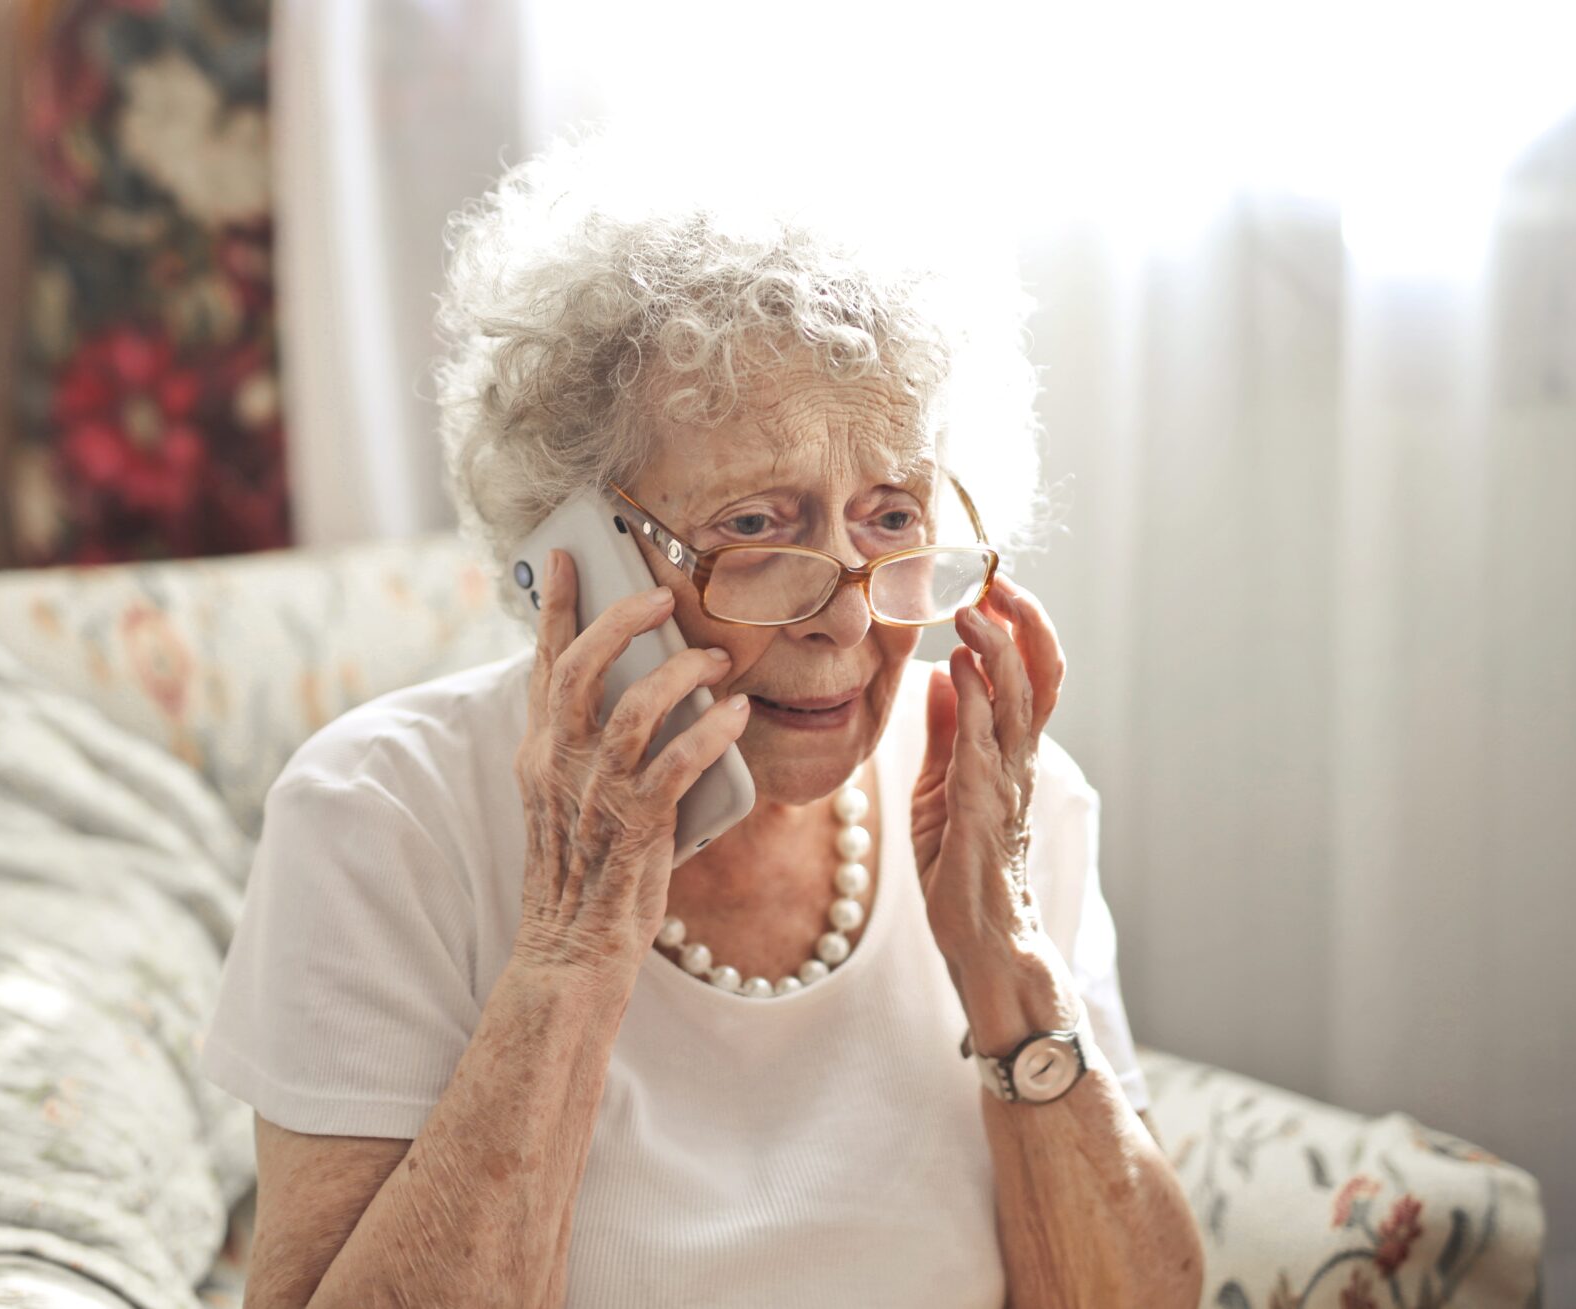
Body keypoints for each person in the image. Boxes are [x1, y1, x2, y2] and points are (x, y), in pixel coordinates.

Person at [198, 130, 1204, 1308]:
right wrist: (571, 954)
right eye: (758, 526)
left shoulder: (998, 802)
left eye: (890, 518)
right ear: (575, 548)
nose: (844, 616)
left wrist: (1007, 959)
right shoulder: (381, 817)